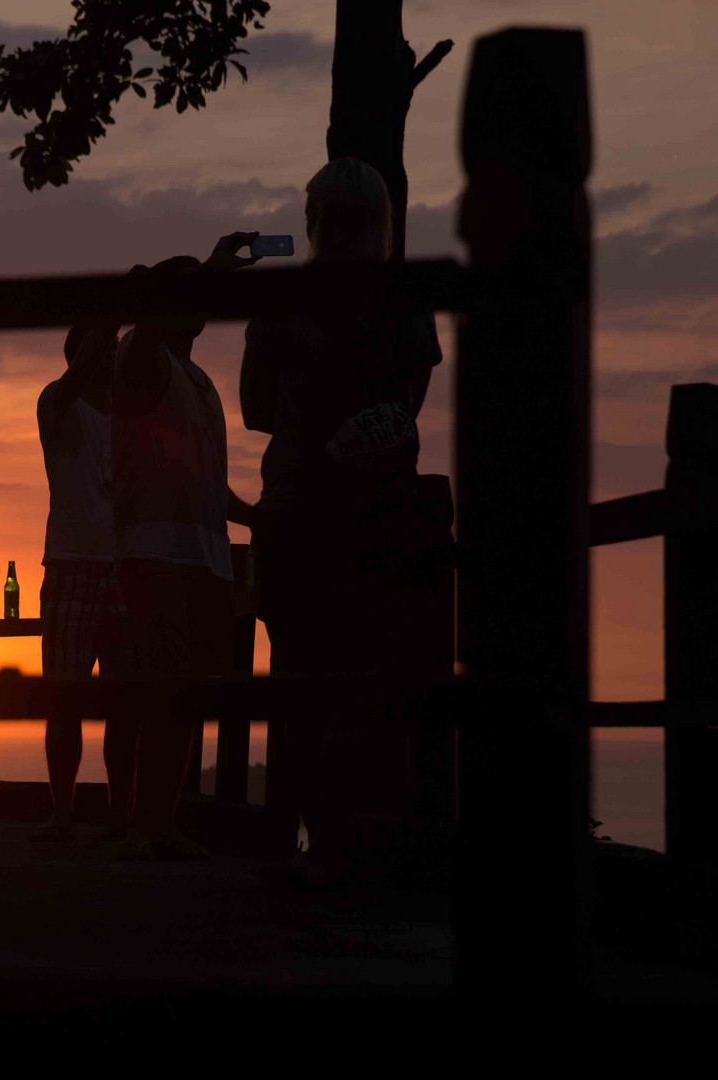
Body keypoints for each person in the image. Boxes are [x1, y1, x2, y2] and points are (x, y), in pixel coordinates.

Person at [238, 157, 450, 883]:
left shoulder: (284, 297)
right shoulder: (409, 294)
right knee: (375, 670)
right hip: (385, 499)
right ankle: (361, 838)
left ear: (315, 218)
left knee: (298, 672)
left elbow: (255, 410)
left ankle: (295, 838)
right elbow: (414, 395)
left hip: (298, 502)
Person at [111, 233, 260, 858]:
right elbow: (144, 331)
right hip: (158, 554)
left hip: (204, 554)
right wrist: (212, 268)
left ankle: (159, 823)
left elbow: (206, 475)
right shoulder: (143, 358)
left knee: (188, 694)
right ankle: (144, 828)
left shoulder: (196, 377)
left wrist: (254, 516)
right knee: (164, 692)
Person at [32, 319, 137, 841]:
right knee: (65, 701)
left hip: (126, 570)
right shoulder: (59, 403)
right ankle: (63, 813)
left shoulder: (132, 418)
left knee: (124, 703)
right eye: (107, 346)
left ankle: (122, 816)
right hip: (72, 566)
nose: (116, 353)